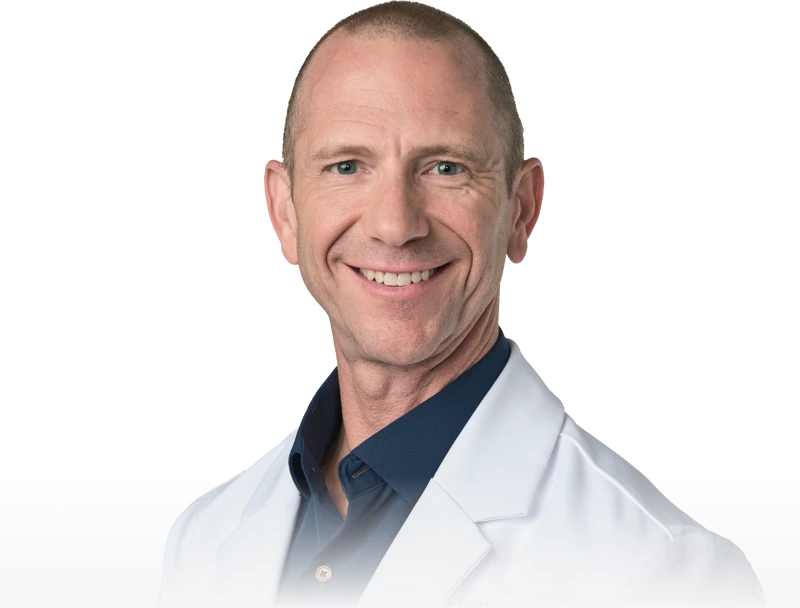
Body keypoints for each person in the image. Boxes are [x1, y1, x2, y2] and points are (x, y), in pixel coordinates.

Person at [159, 2, 764, 607]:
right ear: (284, 213)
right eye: (347, 166)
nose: (395, 225)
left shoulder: (665, 573)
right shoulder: (203, 538)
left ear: (522, 211)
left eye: (445, 168)